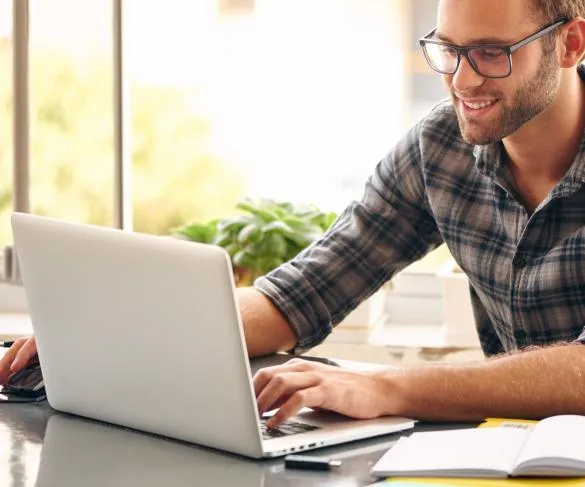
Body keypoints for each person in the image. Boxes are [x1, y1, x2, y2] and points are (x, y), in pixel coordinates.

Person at [3, 0, 585, 429]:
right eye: (449, 51)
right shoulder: (441, 149)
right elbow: (301, 293)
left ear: (570, 44)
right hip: (511, 455)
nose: (462, 79)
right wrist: (104, 335)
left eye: (491, 53)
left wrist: (382, 387)